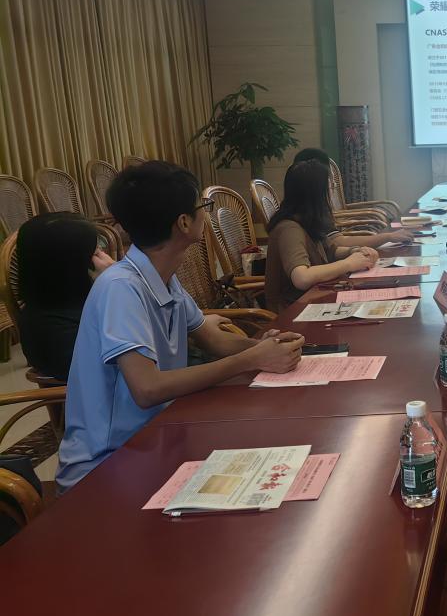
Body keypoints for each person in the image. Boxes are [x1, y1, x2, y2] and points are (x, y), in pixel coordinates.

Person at [56, 162, 304, 492]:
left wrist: (263, 347)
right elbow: (148, 389)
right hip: (107, 465)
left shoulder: (162, 277)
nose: (205, 213)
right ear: (184, 223)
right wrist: (250, 359)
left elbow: (213, 339)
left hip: (159, 438)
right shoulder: (121, 288)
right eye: (203, 206)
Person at [266, 159, 378, 312]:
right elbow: (302, 278)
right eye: (330, 188)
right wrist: (348, 264)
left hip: (314, 299)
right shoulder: (289, 229)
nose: (332, 193)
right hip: (293, 311)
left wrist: (354, 251)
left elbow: (330, 251)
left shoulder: (306, 220)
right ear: (316, 194)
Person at [14, 213, 115, 381]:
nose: (104, 258)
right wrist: (113, 287)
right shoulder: (52, 330)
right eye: (95, 253)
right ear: (72, 266)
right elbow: (123, 366)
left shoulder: (73, 300)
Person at [292, 148, 414, 247]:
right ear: (314, 182)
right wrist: (387, 237)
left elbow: (335, 245)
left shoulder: (317, 208)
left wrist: (353, 253)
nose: (333, 186)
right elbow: (338, 243)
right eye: (329, 181)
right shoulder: (292, 224)